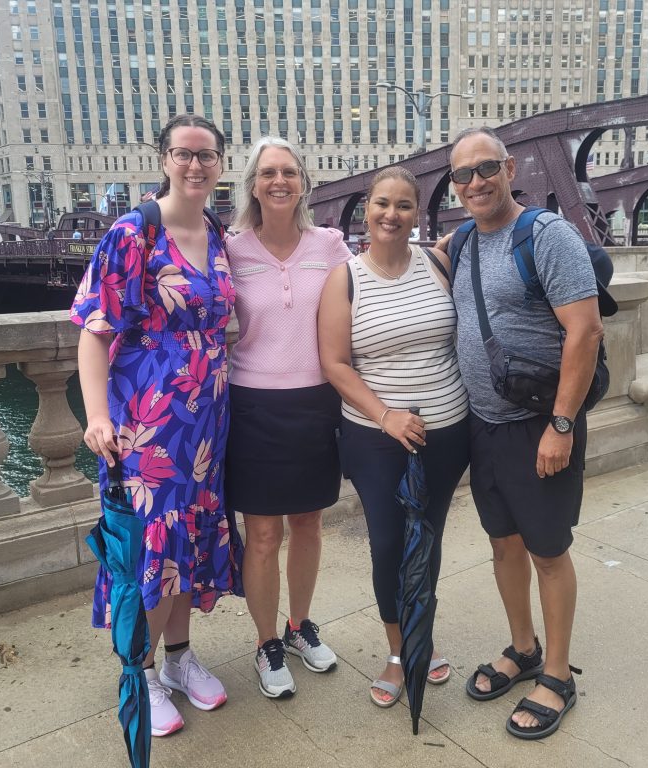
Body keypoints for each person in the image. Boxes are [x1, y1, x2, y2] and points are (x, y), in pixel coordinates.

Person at [70, 114, 242, 737]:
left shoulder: (218, 234)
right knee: (150, 542)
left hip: (206, 423)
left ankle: (178, 659)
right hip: (146, 423)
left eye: (207, 155)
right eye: (183, 154)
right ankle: (139, 668)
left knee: (189, 540)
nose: (195, 165)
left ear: (222, 163)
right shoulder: (132, 232)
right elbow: (94, 333)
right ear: (164, 158)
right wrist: (96, 417)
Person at [448, 127, 603, 740]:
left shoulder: (545, 235)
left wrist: (561, 425)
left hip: (541, 423)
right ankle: (524, 647)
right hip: (483, 425)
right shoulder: (461, 241)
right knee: (503, 544)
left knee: (547, 550)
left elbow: (584, 332)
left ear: (509, 168)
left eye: (486, 168)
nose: (476, 182)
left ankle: (559, 676)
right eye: (463, 175)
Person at [318, 167, 469, 708]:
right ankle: (398, 649)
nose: (392, 214)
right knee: (388, 543)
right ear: (367, 208)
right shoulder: (346, 277)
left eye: (404, 205)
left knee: (428, 540)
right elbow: (334, 363)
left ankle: (423, 632)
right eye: (382, 203)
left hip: (449, 431)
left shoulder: (438, 262)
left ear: (417, 213)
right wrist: (386, 415)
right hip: (376, 437)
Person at [225, 137, 351, 699]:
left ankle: (300, 627)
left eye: (290, 172)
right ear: (253, 183)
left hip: (316, 401)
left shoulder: (330, 243)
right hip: (252, 404)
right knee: (262, 534)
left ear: (303, 182)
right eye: (268, 172)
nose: (280, 181)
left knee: (308, 525)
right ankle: (265, 641)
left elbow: (372, 287)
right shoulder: (229, 249)